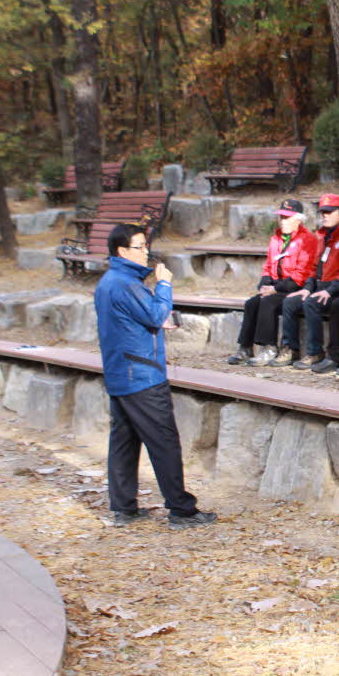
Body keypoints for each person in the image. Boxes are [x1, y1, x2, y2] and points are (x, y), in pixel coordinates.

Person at [95, 224, 215, 529]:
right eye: (139, 247)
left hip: (121, 373)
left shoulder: (109, 281)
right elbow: (156, 315)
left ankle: (124, 507)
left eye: (146, 245)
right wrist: (163, 285)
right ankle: (181, 510)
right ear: (122, 251)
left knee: (123, 442)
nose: (146, 251)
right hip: (142, 376)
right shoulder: (125, 284)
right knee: (164, 442)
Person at [226, 199, 318, 367]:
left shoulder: (308, 240)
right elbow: (268, 266)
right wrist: (264, 284)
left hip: (293, 287)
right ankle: (245, 347)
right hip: (276, 285)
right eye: (281, 217)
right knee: (251, 303)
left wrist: (274, 289)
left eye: (287, 217)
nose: (283, 221)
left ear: (299, 219)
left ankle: (269, 348)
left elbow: (301, 274)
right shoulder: (276, 239)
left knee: (267, 302)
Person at [279, 194, 339, 373]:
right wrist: (307, 288)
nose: (325, 215)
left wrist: (330, 291)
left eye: (330, 212)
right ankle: (289, 349)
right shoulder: (322, 235)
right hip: (318, 286)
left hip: (338, 289)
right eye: (323, 212)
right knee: (290, 302)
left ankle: (316, 352)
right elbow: (314, 266)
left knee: (312, 304)